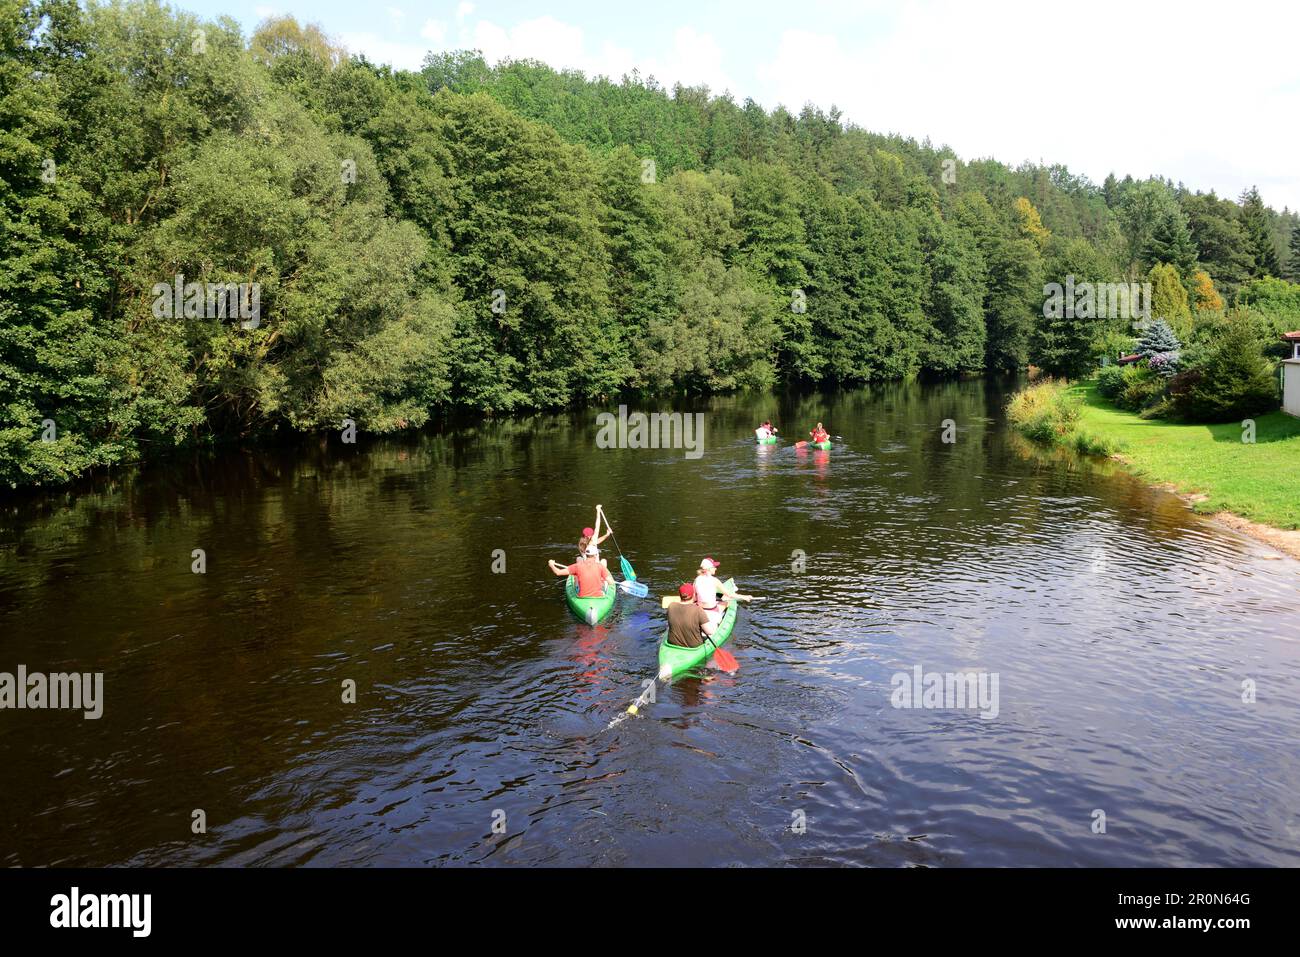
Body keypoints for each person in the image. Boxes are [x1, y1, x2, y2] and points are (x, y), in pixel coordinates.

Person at [693, 557, 752, 626]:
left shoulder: (696, 579)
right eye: (714, 567)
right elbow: (729, 594)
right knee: (726, 602)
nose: (716, 568)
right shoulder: (714, 580)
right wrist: (744, 597)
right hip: (711, 610)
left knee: (719, 597)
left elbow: (694, 597)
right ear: (709, 569)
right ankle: (719, 616)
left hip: (699, 610)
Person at [665, 582, 718, 648]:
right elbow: (709, 632)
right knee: (714, 625)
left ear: (679, 595)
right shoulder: (698, 610)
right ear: (693, 595)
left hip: (672, 643)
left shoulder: (671, 606)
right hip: (693, 647)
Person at [549, 546, 613, 598]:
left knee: (576, 577)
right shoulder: (601, 566)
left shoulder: (577, 566)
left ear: (586, 554)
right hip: (598, 596)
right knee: (604, 584)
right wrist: (603, 579)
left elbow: (558, 572)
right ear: (595, 555)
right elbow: (610, 582)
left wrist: (551, 565)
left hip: (582, 597)